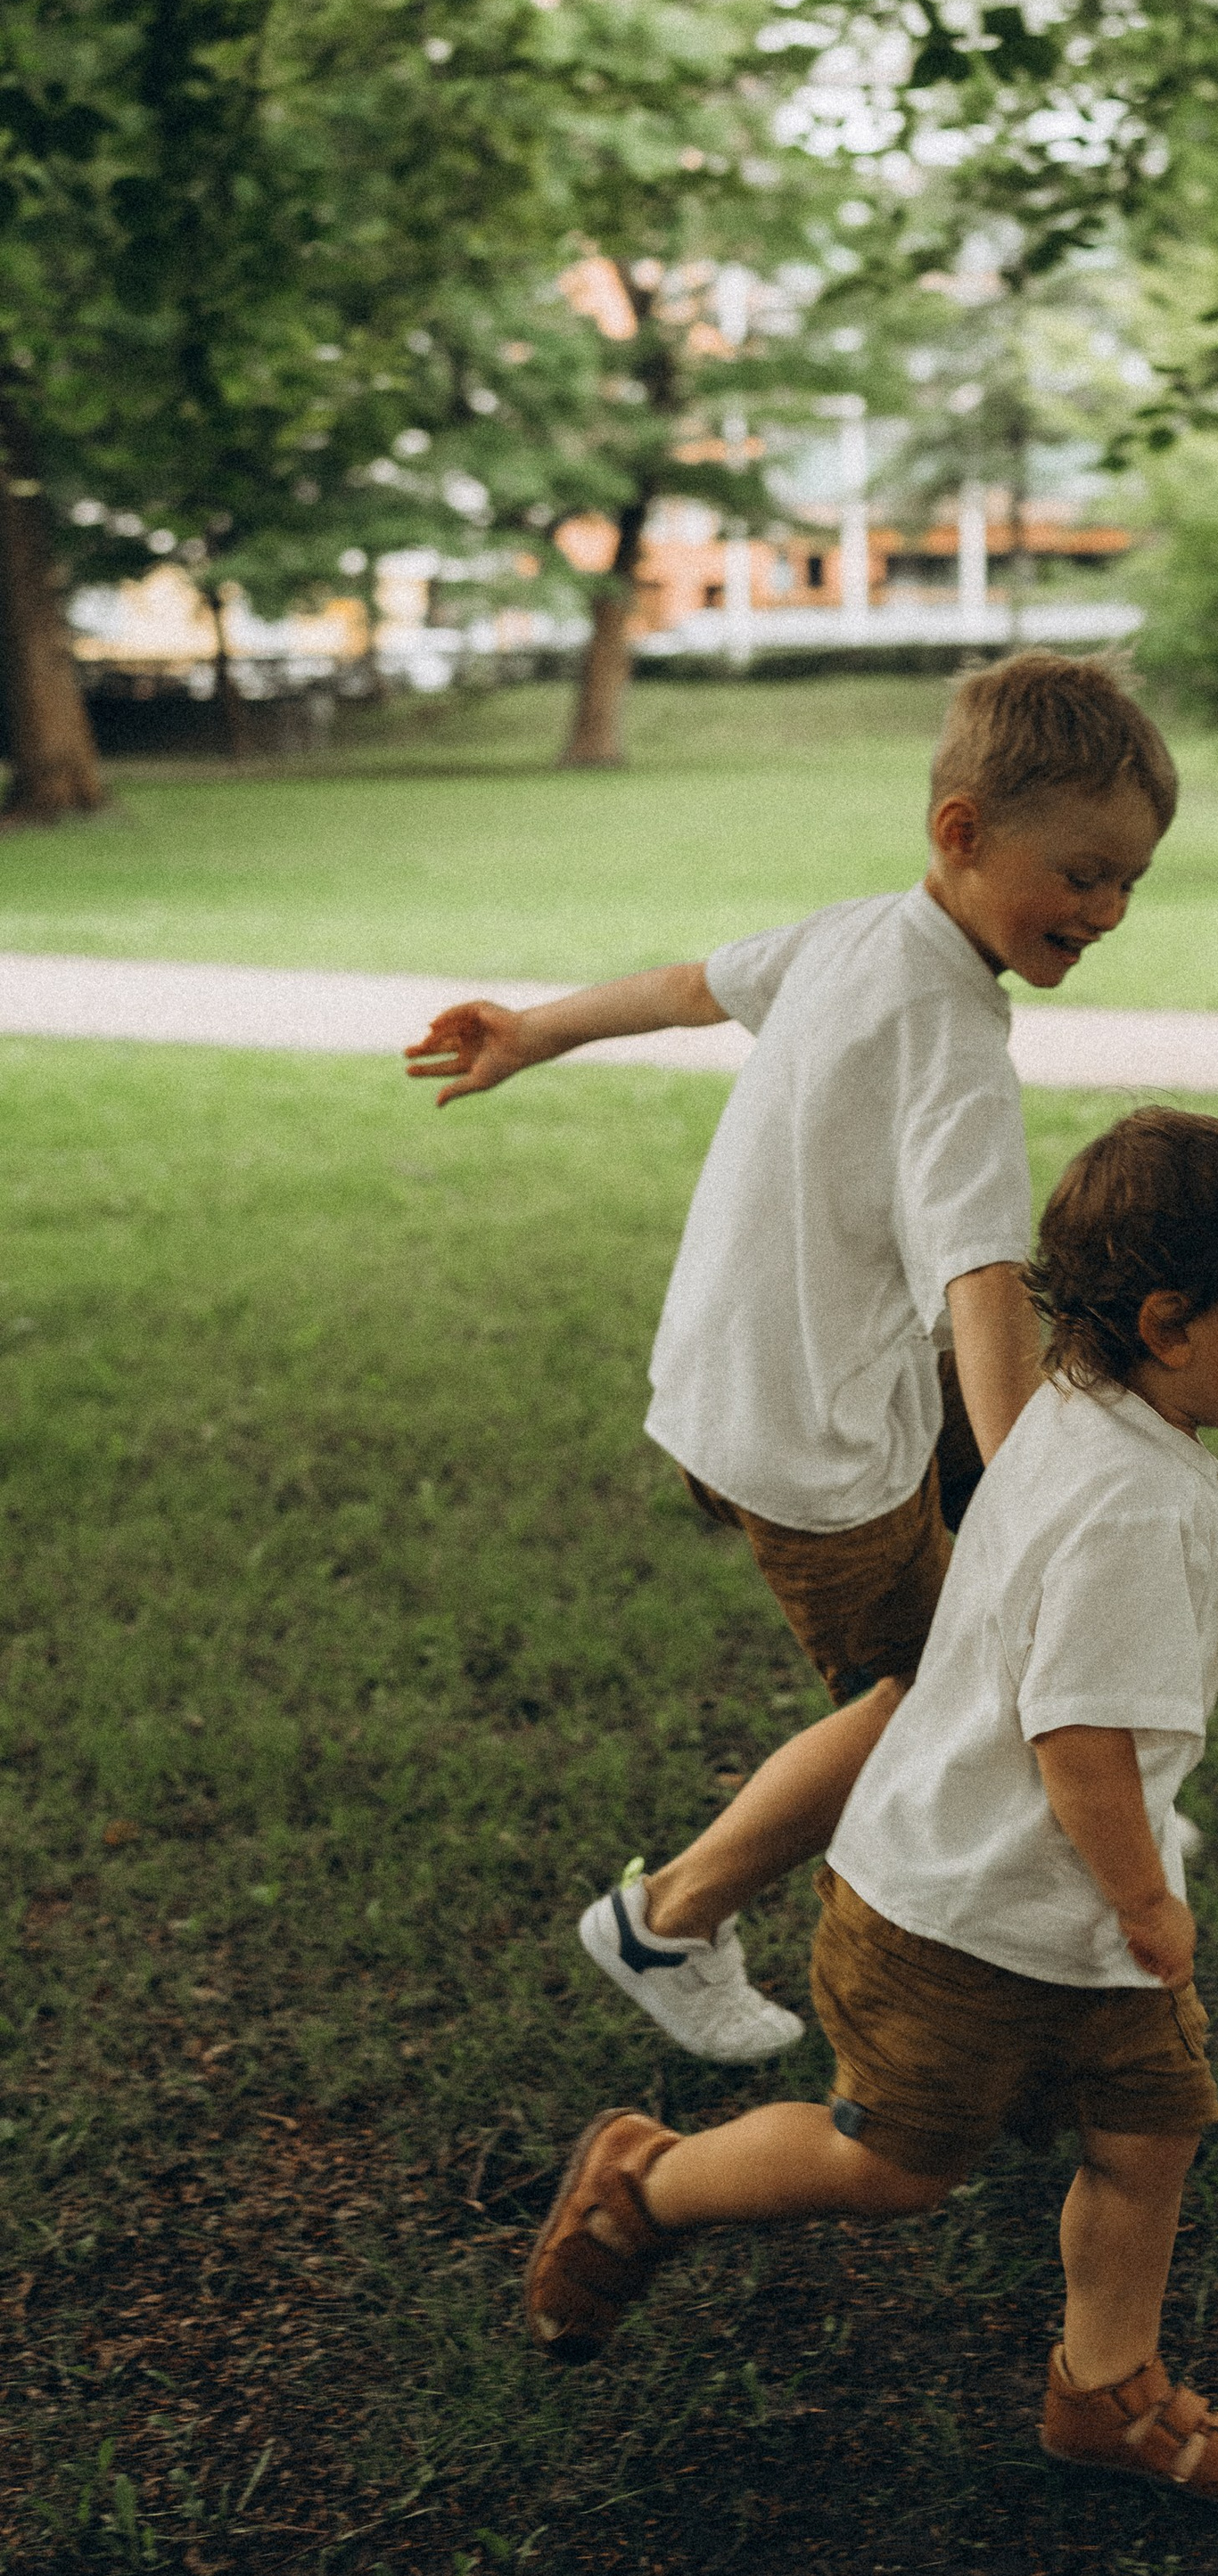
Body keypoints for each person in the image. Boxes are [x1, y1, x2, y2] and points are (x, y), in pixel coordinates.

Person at [521, 1105, 1218, 2503]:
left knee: (1150, 2132)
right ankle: (644, 2181)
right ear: (1171, 1321)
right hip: (963, 1912)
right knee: (892, 2164)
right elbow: (1079, 1744)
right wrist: (1149, 1898)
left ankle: (1104, 2391)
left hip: (1054, 1912)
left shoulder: (1084, 1416)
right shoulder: (1130, 1506)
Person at [403, 652, 1176, 2065]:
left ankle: (1039, 1850)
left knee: (989, 1634)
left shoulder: (863, 934)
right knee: (945, 1690)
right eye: (1081, 875)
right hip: (812, 1440)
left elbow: (697, 987)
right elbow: (983, 1284)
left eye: (1129, 881)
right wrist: (1026, 1497)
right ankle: (673, 1916)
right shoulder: (954, 1037)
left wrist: (538, 1026)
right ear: (961, 833)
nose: (1107, 910)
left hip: (741, 1375)